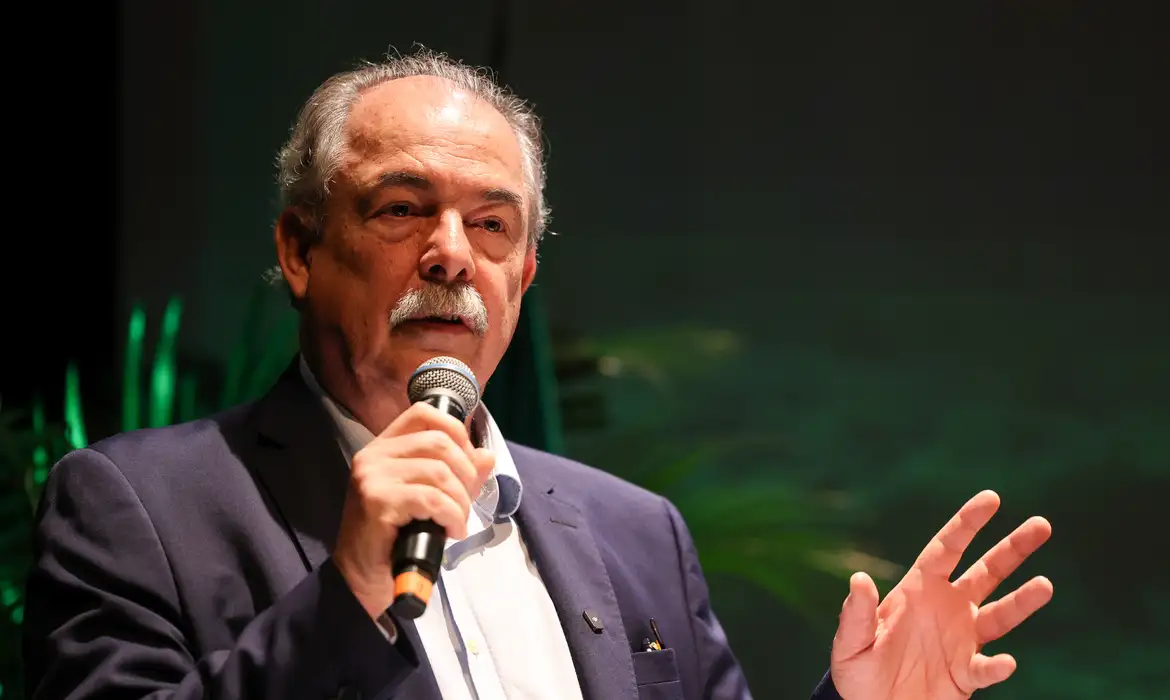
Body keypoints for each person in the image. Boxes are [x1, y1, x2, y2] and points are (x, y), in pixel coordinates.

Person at [23, 49, 1053, 700]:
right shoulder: (137, 507)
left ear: (522, 276)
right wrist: (349, 596)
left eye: (491, 225)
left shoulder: (636, 533)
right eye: (401, 209)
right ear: (299, 250)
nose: (450, 254)